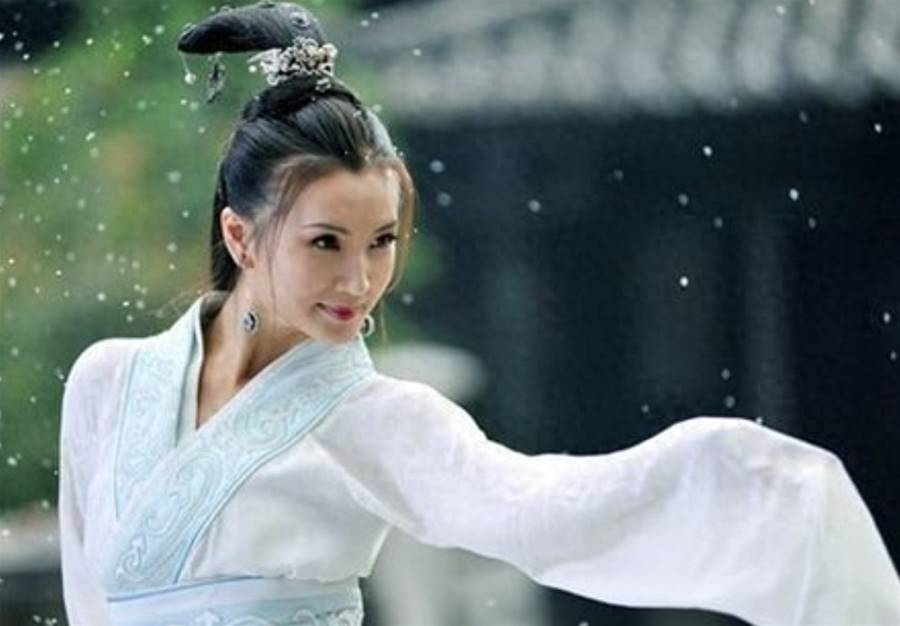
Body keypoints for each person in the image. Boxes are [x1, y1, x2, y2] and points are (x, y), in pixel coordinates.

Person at [57, 2, 900, 625]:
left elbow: (544, 511)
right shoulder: (109, 380)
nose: (360, 278)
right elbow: (88, 599)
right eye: (325, 243)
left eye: (382, 242)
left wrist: (750, 486)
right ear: (240, 235)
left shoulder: (377, 418)